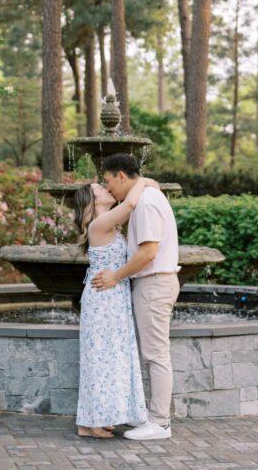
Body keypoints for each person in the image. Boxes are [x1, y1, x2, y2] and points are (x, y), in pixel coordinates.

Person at [92, 153, 180, 441]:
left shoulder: (145, 203)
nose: (109, 190)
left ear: (121, 175)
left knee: (156, 355)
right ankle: (156, 420)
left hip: (154, 284)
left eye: (108, 182)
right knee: (155, 354)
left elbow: (149, 251)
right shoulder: (146, 197)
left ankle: (160, 423)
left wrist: (116, 275)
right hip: (154, 284)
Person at [73, 178, 154, 438]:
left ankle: (89, 421)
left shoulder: (110, 225)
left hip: (110, 297)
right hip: (104, 299)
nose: (105, 188)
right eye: (99, 188)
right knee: (102, 359)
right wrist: (143, 181)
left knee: (105, 357)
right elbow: (130, 202)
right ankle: (95, 421)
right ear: (93, 201)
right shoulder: (100, 224)